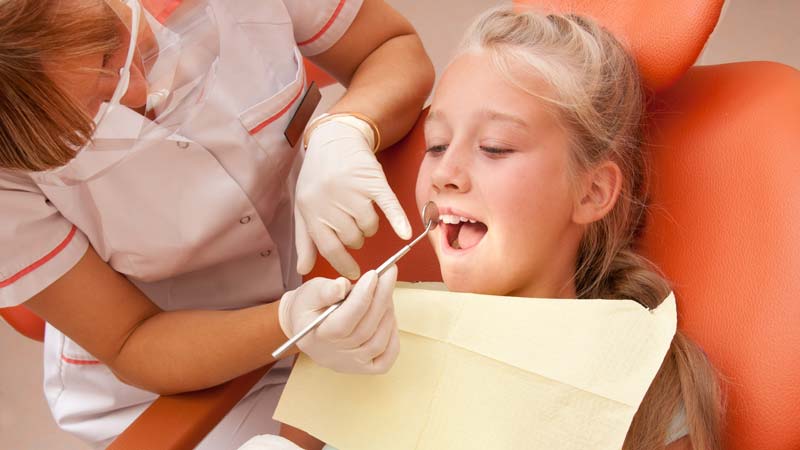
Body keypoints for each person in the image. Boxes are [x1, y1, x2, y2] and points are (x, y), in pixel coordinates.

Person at [273, 7, 725, 450]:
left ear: (591, 193)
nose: (444, 172)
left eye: (494, 147)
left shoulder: (636, 388)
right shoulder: (358, 342)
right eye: (436, 144)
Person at [0, 0, 433, 447]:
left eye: (111, 54)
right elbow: (131, 339)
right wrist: (291, 323)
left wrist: (348, 127)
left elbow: (389, 47)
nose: (134, 96)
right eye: (88, 112)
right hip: (172, 381)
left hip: (344, 279)